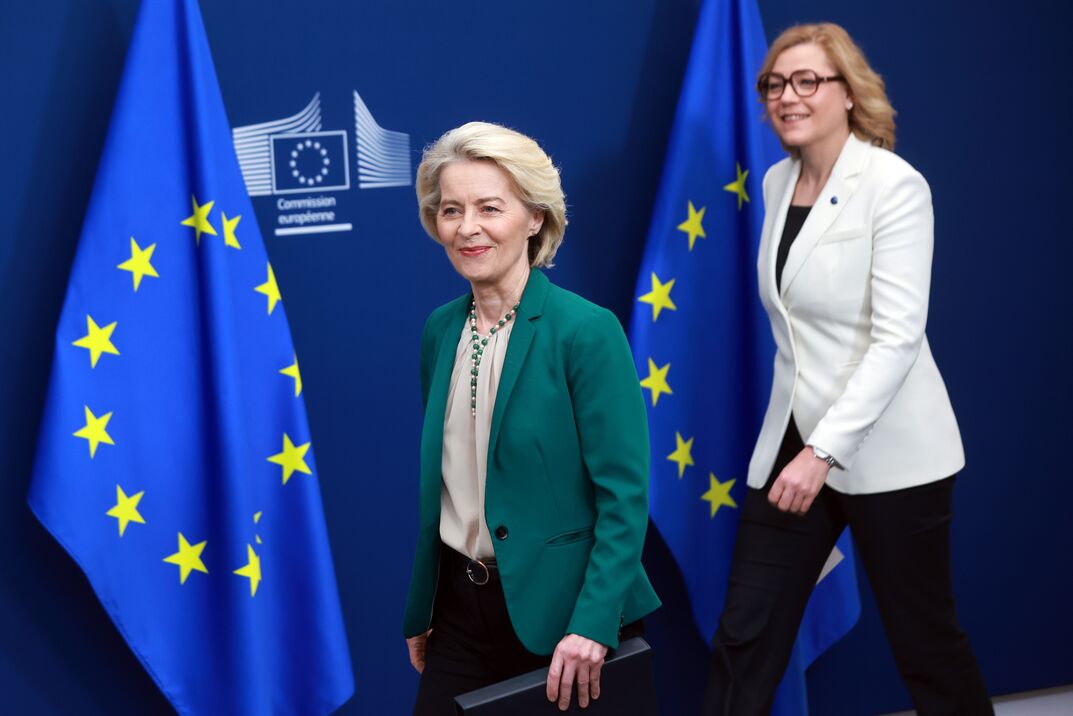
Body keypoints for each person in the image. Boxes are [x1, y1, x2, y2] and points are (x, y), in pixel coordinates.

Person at [701, 23, 992, 715]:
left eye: (807, 81)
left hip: (890, 451)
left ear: (849, 93)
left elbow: (896, 338)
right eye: (775, 84)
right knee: (745, 636)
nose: (786, 96)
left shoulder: (894, 185)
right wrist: (805, 450)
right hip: (792, 438)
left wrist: (824, 451)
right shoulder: (777, 181)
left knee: (925, 645)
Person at [402, 121, 660, 715]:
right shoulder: (440, 330)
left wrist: (593, 623)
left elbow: (624, 496)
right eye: (451, 210)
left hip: (568, 618)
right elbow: (451, 486)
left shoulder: (586, 331)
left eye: (490, 208)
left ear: (535, 217)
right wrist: (427, 605)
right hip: (461, 616)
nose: (467, 227)